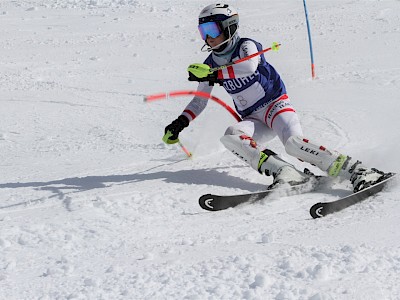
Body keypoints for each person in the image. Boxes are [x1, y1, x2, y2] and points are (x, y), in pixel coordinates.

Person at [163, 3, 389, 192]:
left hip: (275, 106)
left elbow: (249, 67)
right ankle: (287, 173)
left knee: (293, 144)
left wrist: (215, 73)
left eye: (212, 30)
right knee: (232, 136)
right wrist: (180, 122)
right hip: (254, 118)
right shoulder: (210, 64)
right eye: (204, 33)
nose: (208, 38)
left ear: (229, 27)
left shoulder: (245, 46)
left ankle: (359, 171)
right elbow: (200, 100)